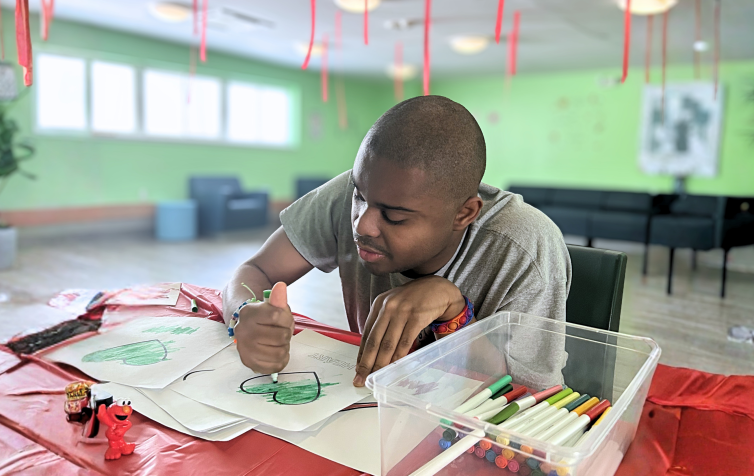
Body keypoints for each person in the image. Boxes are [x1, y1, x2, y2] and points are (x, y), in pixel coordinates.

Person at [223, 95, 571, 389]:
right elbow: (255, 270)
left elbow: (530, 397)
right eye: (360, 198)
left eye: (394, 217)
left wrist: (454, 311)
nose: (362, 224)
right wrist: (243, 313)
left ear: (464, 214)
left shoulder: (526, 245)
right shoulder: (358, 190)